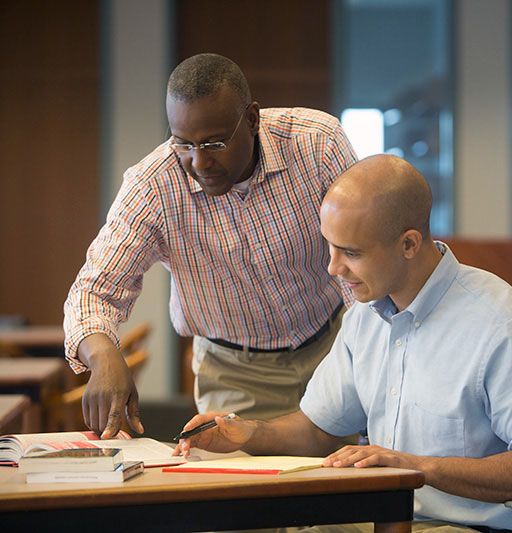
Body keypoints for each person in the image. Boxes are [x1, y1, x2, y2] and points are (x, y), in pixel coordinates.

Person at [177, 154, 512, 532]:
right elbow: (319, 432)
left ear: (409, 244)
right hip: (393, 519)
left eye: (351, 253)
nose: (333, 268)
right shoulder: (366, 317)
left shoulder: (501, 324)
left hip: (475, 527)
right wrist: (247, 434)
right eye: (330, 247)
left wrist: (415, 467)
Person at [63, 53, 358, 439]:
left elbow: (363, 251)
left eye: (214, 143)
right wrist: (103, 355)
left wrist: (367, 345)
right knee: (250, 491)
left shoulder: (315, 143)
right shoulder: (153, 186)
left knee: (354, 476)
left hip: (335, 344)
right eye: (183, 143)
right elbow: (92, 291)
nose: (199, 162)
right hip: (235, 370)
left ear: (251, 119)